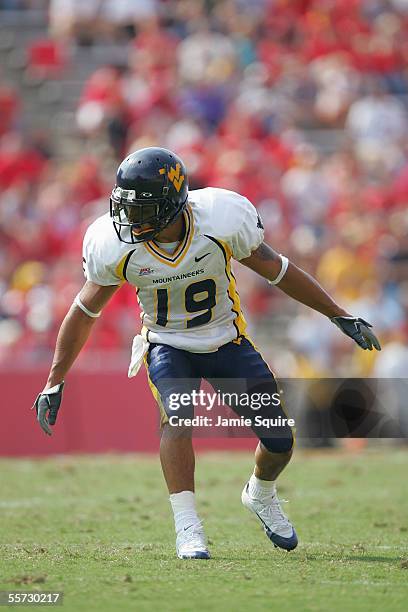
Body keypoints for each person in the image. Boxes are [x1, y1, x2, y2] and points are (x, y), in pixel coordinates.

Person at [33, 147, 381, 559]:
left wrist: (337, 315)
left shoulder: (219, 219)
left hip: (225, 340)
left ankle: (260, 493)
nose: (130, 219)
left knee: (280, 440)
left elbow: (279, 270)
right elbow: (85, 311)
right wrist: (55, 380)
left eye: (143, 209)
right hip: (166, 343)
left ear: (172, 204)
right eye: (126, 207)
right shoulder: (116, 244)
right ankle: (188, 526)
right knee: (177, 416)